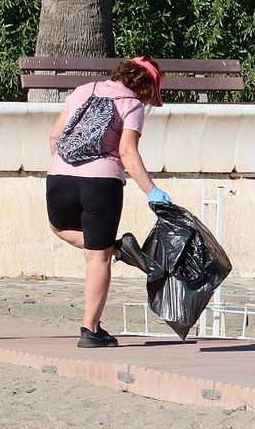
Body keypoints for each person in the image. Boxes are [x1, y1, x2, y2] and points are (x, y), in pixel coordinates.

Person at [45, 56, 169, 348]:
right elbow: (127, 151)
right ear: (145, 86)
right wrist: (151, 190)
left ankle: (117, 248)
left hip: (59, 176)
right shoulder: (132, 105)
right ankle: (90, 330)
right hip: (101, 184)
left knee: (59, 227)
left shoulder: (82, 90)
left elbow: (54, 135)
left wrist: (67, 168)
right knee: (97, 257)